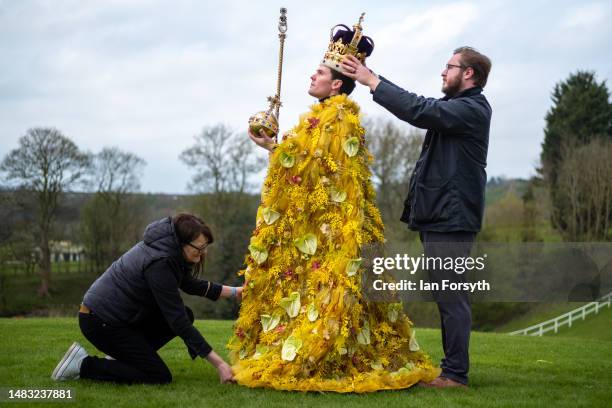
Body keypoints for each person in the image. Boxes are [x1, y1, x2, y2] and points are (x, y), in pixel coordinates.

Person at [228, 17, 439, 393]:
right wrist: (277, 146)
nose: (311, 78)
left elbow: (319, 165)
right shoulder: (319, 116)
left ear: (337, 83)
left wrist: (276, 148)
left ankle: (333, 353)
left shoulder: (340, 115)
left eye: (318, 73)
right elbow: (303, 162)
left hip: (336, 228)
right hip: (321, 225)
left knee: (337, 295)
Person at [341, 46, 492, 388]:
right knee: (446, 294)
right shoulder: (457, 108)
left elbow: (419, 109)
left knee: (451, 295)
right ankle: (452, 369)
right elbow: (421, 106)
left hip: (451, 220)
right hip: (441, 218)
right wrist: (372, 78)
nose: (443, 72)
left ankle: (455, 375)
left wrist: (372, 81)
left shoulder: (472, 109)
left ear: (468, 74)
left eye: (450, 66)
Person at [51, 213, 242, 384]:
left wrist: (236, 292)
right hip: (100, 321)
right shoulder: (160, 263)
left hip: (117, 318)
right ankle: (82, 364)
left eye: (205, 248)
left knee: (185, 313)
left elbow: (189, 284)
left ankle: (123, 359)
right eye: (199, 249)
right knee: (157, 375)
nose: (202, 255)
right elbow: (178, 321)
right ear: (182, 243)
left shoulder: (167, 250)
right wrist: (220, 364)